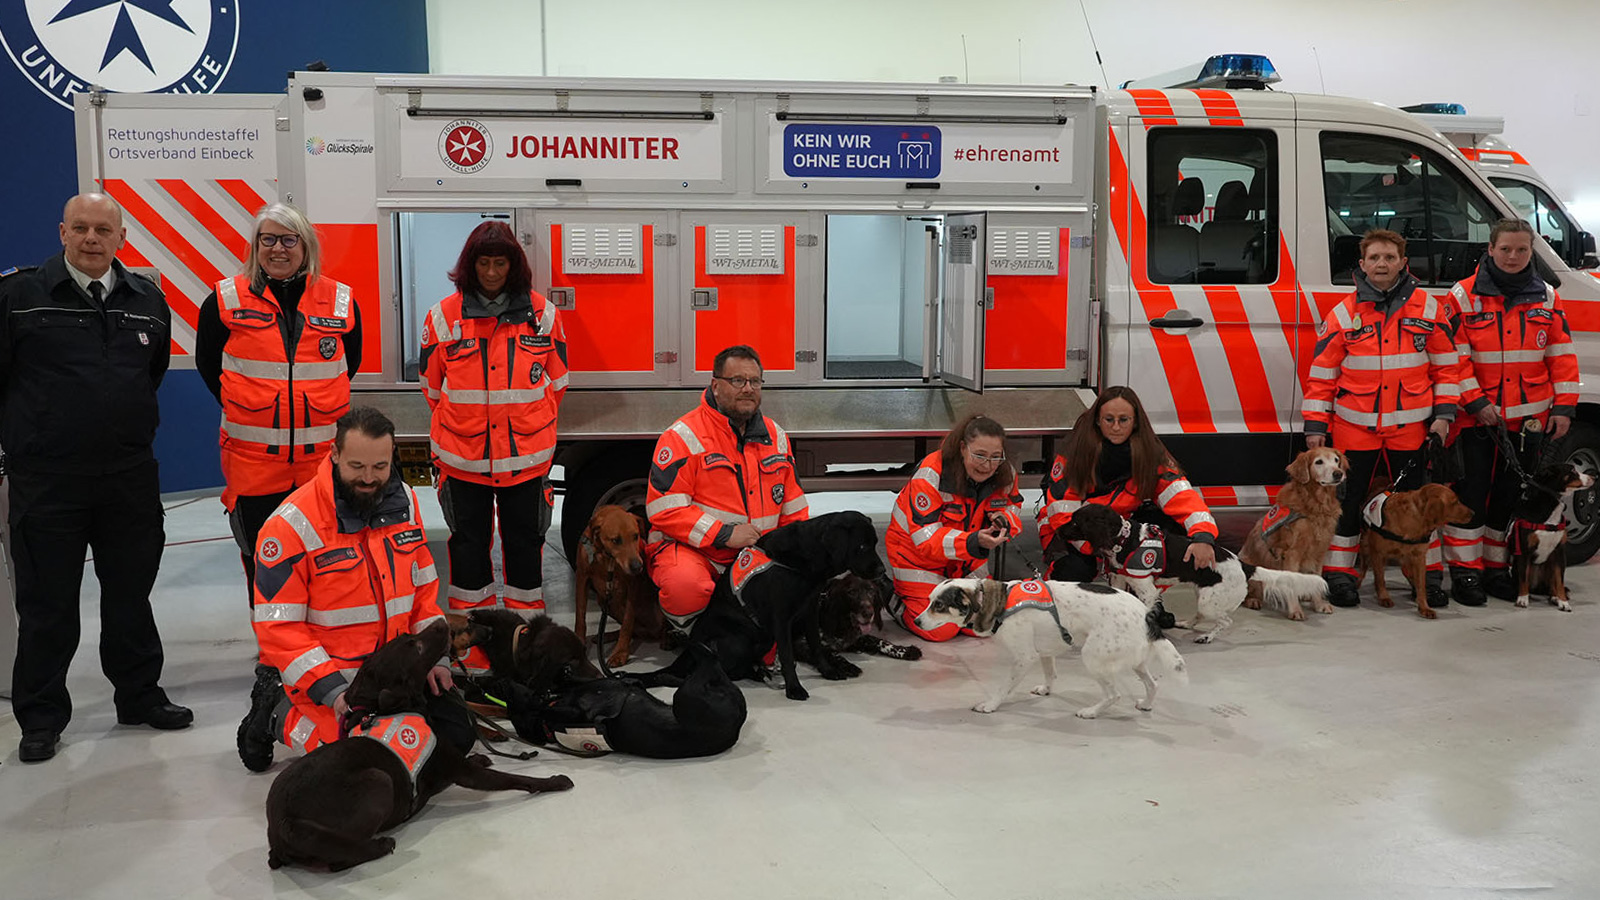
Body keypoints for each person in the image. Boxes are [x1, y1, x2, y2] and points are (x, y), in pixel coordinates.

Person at [0, 193, 191, 763]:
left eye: (103, 229)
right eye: (80, 227)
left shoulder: (147, 302)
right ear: (61, 231)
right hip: (46, 481)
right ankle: (41, 716)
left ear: (121, 238)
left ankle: (138, 696)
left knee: (131, 595)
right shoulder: (16, 297)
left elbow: (148, 376)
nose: (91, 238)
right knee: (46, 603)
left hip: (128, 478)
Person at [236, 407, 470, 772]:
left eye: (380, 467)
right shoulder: (289, 526)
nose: (369, 478)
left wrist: (435, 658)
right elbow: (279, 629)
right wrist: (331, 690)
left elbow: (424, 593)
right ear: (334, 455)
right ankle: (275, 710)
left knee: (456, 738)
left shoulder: (404, 503)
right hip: (330, 683)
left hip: (394, 674)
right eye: (357, 466)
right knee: (363, 762)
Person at [194, 202, 362, 605]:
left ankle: (322, 642)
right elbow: (208, 366)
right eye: (267, 239)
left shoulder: (340, 301)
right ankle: (272, 656)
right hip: (253, 465)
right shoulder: (223, 300)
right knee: (263, 561)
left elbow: (348, 365)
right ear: (255, 246)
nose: (278, 249)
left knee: (326, 558)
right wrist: (252, 407)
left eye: (289, 239)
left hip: (321, 465)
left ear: (305, 247)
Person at [419, 222, 567, 676]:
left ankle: (525, 647)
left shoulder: (543, 316)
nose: (491, 271)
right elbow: (432, 387)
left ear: (513, 265)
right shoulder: (442, 317)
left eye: (499, 262)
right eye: (483, 262)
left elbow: (557, 382)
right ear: (469, 265)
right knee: (468, 555)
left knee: (526, 551)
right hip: (463, 465)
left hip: (526, 463)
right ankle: (474, 648)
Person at [1303, 228, 1461, 608]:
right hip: (1354, 429)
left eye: (1389, 257)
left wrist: (1443, 417)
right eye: (1374, 258)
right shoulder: (1343, 312)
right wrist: (1315, 428)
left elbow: (1447, 368)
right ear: (1362, 264)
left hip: (1411, 429)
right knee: (1347, 504)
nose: (1381, 264)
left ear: (1403, 263)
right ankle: (1340, 577)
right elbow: (1323, 374)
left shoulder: (1428, 308)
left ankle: (1427, 578)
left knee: (1420, 506)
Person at [1442, 219, 1579, 604]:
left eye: (1522, 250)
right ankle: (1466, 574)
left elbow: (1561, 356)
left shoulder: (1548, 297)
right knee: (1471, 495)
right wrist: (1477, 402)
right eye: (1506, 249)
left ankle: (1495, 568)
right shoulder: (1463, 297)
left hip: (1529, 422)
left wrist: (1564, 406)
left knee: (1509, 498)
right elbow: (1454, 358)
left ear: (1530, 252)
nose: (1514, 256)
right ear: (1490, 250)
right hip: (1476, 419)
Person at [645, 345, 808, 636]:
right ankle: (695, 638)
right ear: (716, 385)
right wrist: (724, 534)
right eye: (737, 381)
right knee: (686, 589)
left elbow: (793, 509)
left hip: (757, 554)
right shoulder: (682, 437)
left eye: (755, 381)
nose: (747, 389)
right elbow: (664, 509)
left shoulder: (776, 437)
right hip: (696, 552)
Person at [1039, 386, 1218, 583]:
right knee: (1076, 569)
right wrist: (1103, 548)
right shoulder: (1075, 452)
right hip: (1072, 529)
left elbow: (1181, 496)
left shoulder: (1151, 453)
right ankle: (1053, 595)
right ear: (1098, 421)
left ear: (1135, 423)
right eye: (1109, 420)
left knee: (1172, 533)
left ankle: (1150, 601)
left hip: (1117, 530)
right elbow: (1061, 514)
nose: (1116, 427)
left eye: (1123, 420)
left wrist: (1203, 536)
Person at [885, 415, 1023, 641]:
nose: (987, 465)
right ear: (962, 448)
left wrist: (1004, 521)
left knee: (987, 626)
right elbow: (926, 540)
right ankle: (891, 598)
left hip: (966, 567)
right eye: (979, 455)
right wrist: (974, 541)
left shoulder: (1006, 474)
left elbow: (1014, 506)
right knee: (940, 630)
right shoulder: (931, 476)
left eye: (995, 457)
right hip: (919, 565)